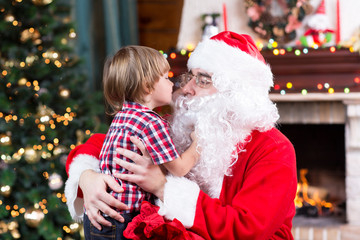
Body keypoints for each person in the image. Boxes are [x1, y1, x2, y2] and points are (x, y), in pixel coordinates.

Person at [65, 31, 297, 239]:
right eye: (190, 77)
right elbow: (99, 144)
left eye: (203, 80)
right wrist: (87, 176)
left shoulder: (273, 149)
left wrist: (163, 188)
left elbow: (249, 229)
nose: (186, 88)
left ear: (235, 93)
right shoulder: (178, 125)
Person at [78, 45, 200, 239]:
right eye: (166, 78)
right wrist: (198, 144)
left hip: (96, 216)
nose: (172, 84)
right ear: (147, 86)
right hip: (123, 217)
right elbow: (179, 168)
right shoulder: (152, 123)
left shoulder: (122, 116)